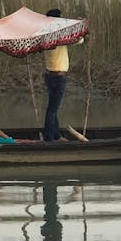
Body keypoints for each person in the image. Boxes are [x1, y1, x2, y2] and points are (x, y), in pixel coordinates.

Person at [41, 8, 83, 141]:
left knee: (53, 108)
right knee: (53, 109)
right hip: (58, 77)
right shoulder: (57, 35)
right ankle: (49, 137)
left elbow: (75, 40)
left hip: (50, 76)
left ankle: (56, 135)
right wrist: (81, 29)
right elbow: (76, 40)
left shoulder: (46, 35)